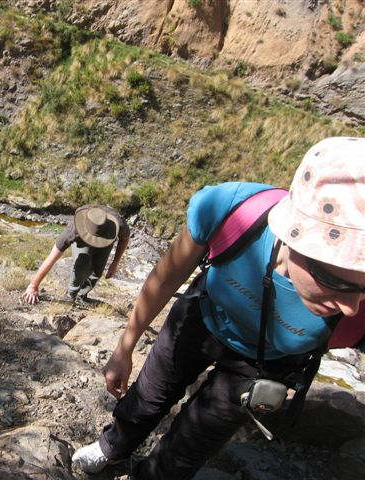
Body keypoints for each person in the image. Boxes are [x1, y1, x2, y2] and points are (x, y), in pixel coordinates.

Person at [71, 137, 365, 479]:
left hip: (267, 366)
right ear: (293, 234)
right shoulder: (234, 210)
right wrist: (124, 349)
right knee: (150, 395)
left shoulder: (355, 309)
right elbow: (164, 279)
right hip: (202, 320)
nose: (352, 308)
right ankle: (113, 447)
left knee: (188, 447)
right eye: (338, 282)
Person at [21, 204, 130, 305]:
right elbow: (51, 258)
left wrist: (115, 262)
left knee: (97, 271)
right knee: (82, 266)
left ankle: (82, 296)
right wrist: (33, 285)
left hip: (106, 239)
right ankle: (71, 295)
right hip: (82, 241)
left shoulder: (118, 224)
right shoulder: (73, 230)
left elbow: (125, 238)